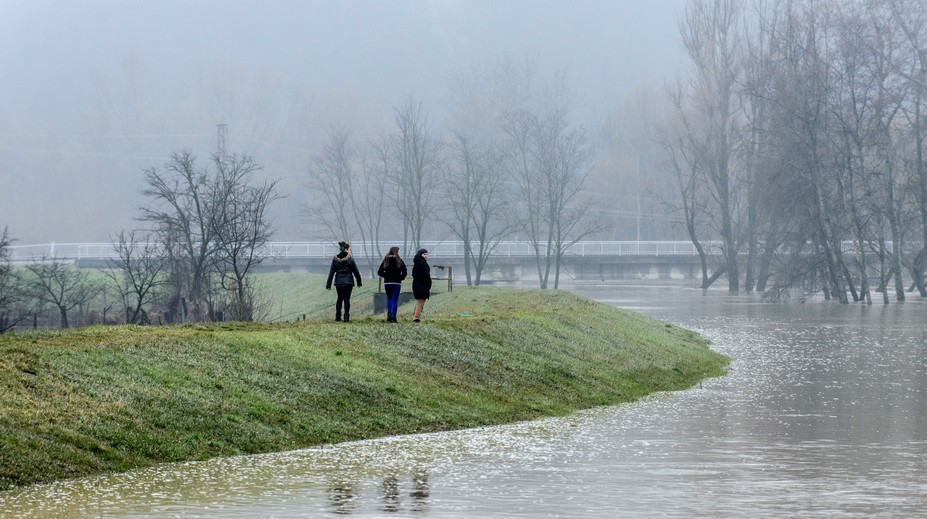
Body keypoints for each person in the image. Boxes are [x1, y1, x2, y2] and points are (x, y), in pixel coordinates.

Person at [325, 241, 362, 322]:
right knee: (346, 299)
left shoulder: (335, 259)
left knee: (339, 298)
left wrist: (328, 284)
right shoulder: (350, 259)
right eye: (349, 249)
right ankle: (346, 316)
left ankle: (338, 316)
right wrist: (359, 282)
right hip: (348, 282)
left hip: (338, 282)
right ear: (346, 249)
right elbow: (356, 272)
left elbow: (331, 272)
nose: (350, 251)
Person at [377, 246, 407, 323]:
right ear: (397, 252)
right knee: (395, 300)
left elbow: (379, 272)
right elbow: (405, 272)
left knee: (389, 298)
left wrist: (386, 276)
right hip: (396, 283)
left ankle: (389, 315)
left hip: (387, 283)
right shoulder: (399, 260)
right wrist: (400, 278)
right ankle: (394, 317)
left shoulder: (386, 260)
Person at [411, 248, 432, 322]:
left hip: (416, 284)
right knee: (421, 301)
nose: (426, 256)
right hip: (422, 284)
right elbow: (426, 275)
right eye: (424, 254)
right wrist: (428, 283)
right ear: (421, 255)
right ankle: (416, 317)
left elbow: (413, 274)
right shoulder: (423, 263)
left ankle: (415, 315)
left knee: (419, 301)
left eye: (427, 254)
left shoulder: (416, 263)